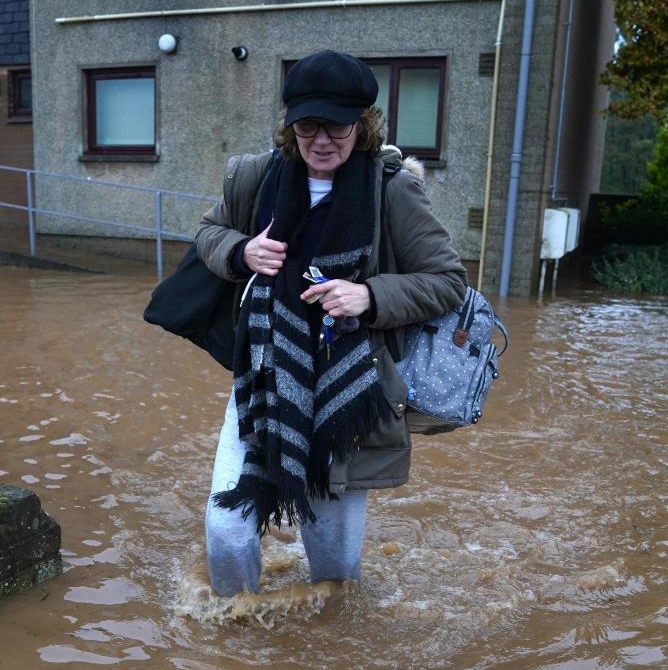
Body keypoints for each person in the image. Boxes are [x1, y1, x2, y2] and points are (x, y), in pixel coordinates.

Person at [194, 50, 467, 596]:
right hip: (262, 382)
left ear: (362, 125)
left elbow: (447, 281)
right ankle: (235, 643)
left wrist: (368, 294)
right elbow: (207, 234)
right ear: (290, 124)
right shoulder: (256, 177)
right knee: (226, 532)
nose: (322, 139)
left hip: (349, 393)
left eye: (338, 125)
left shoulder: (391, 188)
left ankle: (326, 657)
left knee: (334, 567)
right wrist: (242, 250)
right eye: (308, 124)